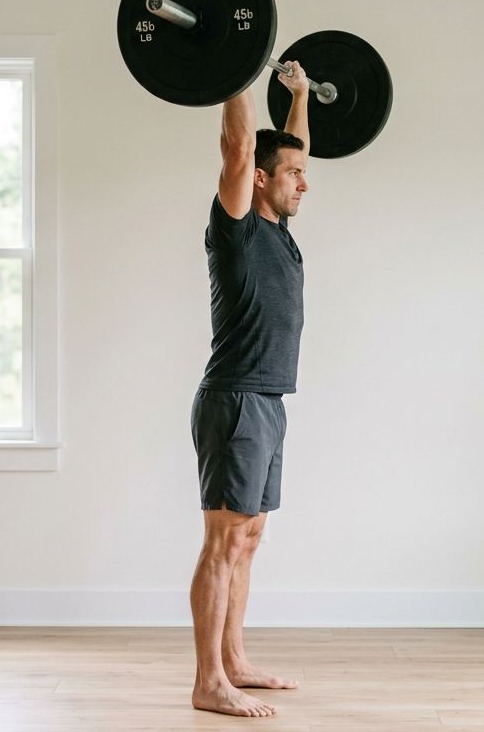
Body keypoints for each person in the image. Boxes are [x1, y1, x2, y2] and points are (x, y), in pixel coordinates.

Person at [188, 62, 311, 718]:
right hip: (234, 399)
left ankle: (234, 659)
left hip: (267, 401)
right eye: (293, 174)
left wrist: (296, 97)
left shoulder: (281, 233)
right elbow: (240, 147)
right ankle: (209, 679)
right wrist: (235, 67)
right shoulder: (237, 227)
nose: (305, 183)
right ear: (259, 179)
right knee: (224, 539)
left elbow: (291, 150)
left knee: (249, 537)